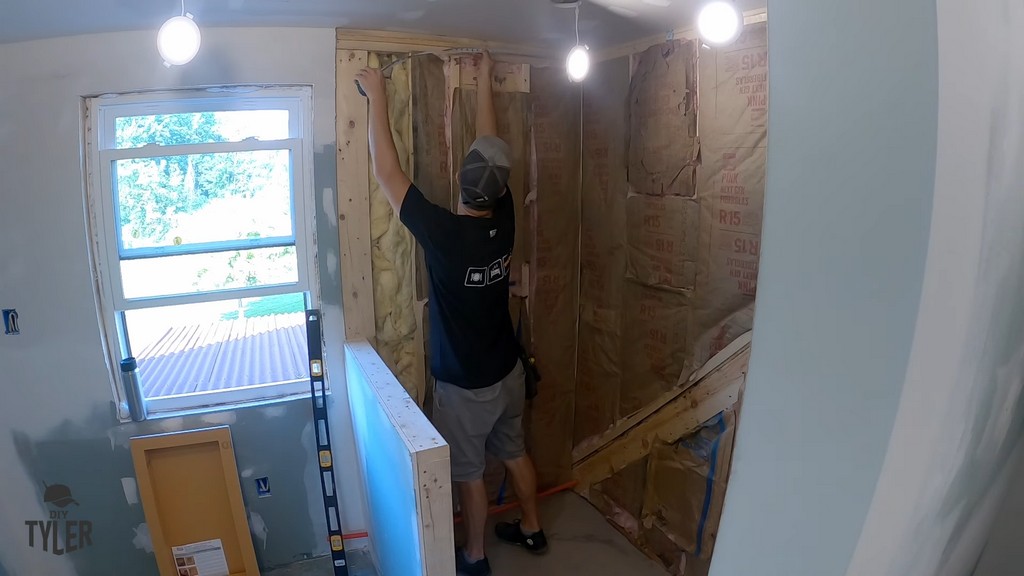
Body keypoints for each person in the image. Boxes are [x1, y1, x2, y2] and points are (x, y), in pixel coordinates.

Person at [356, 52, 546, 576]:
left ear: (460, 180)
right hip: (507, 372)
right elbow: (490, 152)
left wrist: (376, 96)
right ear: (499, 190)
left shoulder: (443, 235)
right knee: (514, 452)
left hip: (465, 388)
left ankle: (475, 556)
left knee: (469, 475)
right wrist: (486, 76)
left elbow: (386, 172)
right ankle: (532, 527)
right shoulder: (503, 219)